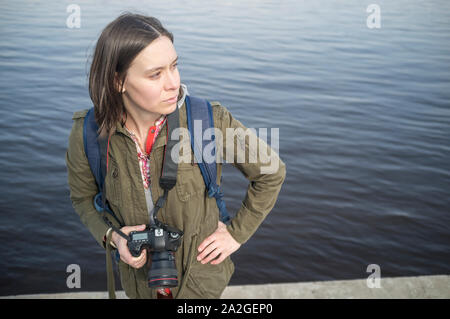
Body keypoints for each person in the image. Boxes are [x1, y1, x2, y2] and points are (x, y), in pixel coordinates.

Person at [65, 12, 286, 299]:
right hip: (139, 285)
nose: (173, 83)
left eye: (174, 66)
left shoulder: (206, 122)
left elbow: (271, 172)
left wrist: (235, 234)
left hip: (200, 284)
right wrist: (113, 238)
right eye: (155, 74)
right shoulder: (88, 134)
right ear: (118, 81)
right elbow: (83, 199)